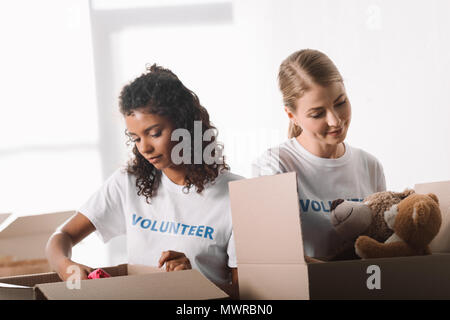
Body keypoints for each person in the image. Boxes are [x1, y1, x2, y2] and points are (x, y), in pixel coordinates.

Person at [46, 64, 241, 298]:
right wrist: (66, 266)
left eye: (155, 133)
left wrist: (192, 283)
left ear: (185, 124)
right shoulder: (128, 183)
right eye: (136, 138)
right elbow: (61, 237)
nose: (145, 148)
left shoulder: (237, 196)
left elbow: (245, 294)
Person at [252, 49, 386, 261]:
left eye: (340, 103)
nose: (335, 120)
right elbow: (277, 258)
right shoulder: (274, 167)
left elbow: (380, 243)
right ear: (291, 115)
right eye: (317, 113)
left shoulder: (370, 166)